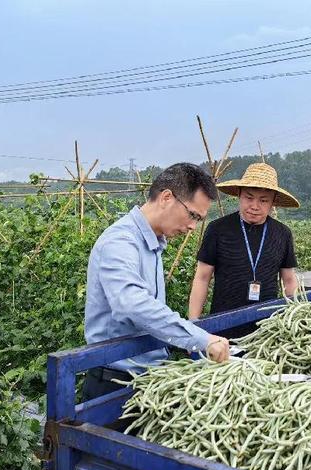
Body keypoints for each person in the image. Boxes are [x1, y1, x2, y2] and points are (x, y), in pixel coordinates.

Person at [83, 163, 230, 401]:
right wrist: (200, 339)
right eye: (193, 215)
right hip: (115, 383)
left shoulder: (152, 244)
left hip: (145, 378)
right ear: (166, 198)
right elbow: (132, 304)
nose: (193, 226)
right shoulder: (121, 242)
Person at [188, 162, 300, 338]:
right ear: (239, 195)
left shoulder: (282, 234)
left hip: (267, 329)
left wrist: (294, 318)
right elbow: (202, 277)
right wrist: (194, 324)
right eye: (249, 197)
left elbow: (289, 281)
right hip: (223, 327)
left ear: (273, 202)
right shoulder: (218, 229)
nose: (255, 206)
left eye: (263, 200)